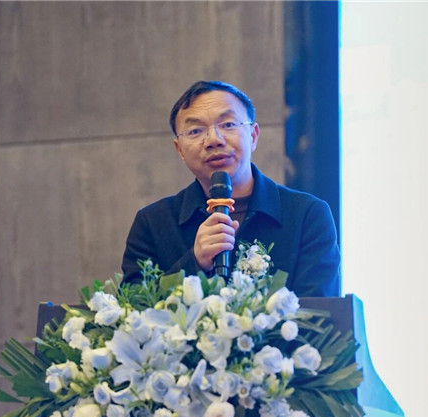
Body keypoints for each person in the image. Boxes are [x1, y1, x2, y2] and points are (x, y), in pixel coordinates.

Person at [121, 81, 340, 297]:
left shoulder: (307, 215)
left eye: (228, 125)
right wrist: (193, 263)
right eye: (195, 131)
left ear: (253, 136)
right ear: (179, 150)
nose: (214, 140)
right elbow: (131, 308)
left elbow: (321, 312)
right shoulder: (153, 223)